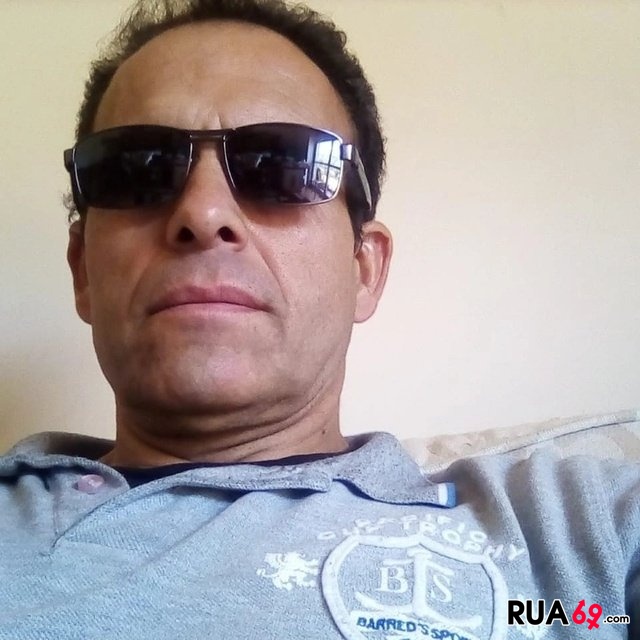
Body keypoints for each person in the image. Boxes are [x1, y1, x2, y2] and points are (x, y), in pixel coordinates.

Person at [0, 1, 637, 638]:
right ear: (83, 270)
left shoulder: (576, 535)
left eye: (280, 164)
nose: (203, 213)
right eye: (136, 167)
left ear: (365, 268)